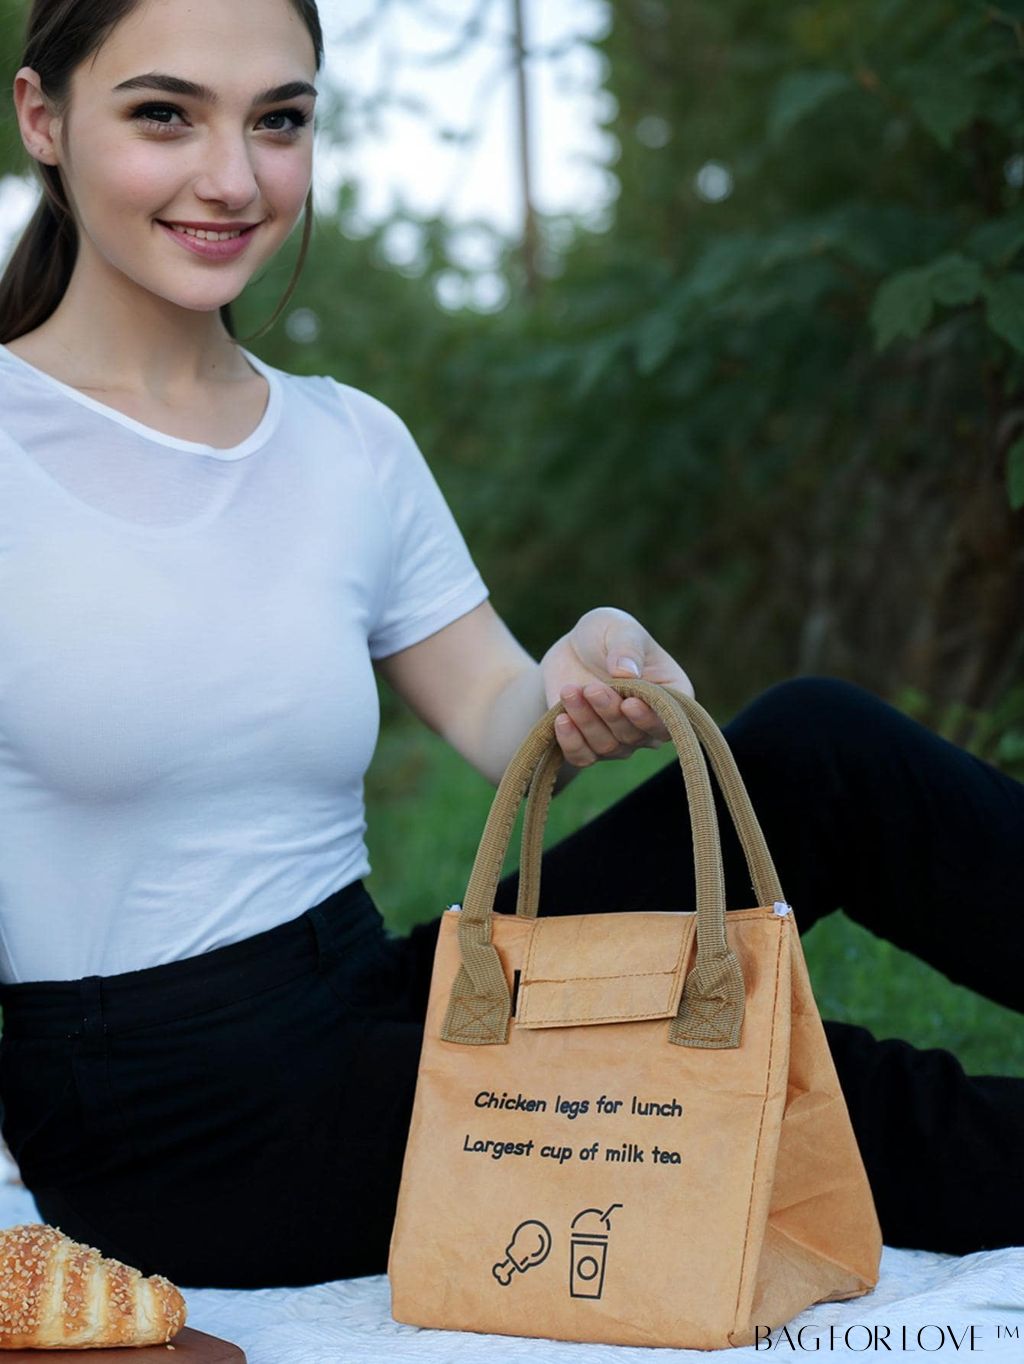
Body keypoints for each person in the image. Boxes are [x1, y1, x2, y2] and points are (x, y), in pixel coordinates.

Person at [0, 0, 1018, 1292]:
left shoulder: (344, 443)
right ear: (42, 117)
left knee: (820, 749)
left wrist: (589, 659)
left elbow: (496, 710)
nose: (234, 179)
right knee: (787, 1091)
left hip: (372, 993)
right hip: (171, 1126)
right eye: (164, 115)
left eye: (279, 121)